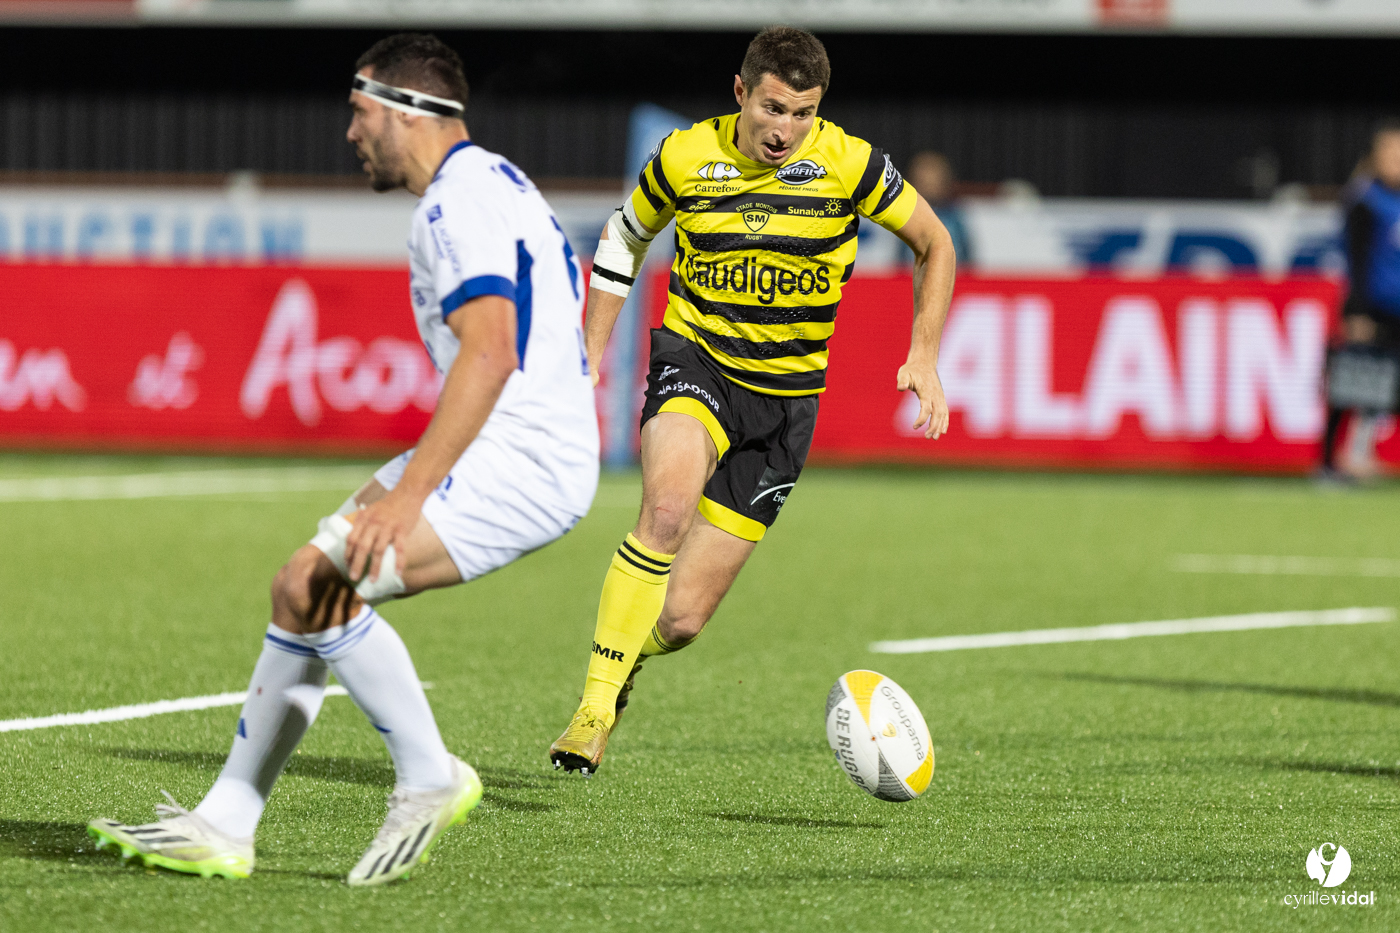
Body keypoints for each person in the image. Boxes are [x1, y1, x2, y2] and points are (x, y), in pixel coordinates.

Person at [88, 33, 598, 885]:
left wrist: (410, 496)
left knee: (319, 583)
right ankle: (225, 819)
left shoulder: (454, 204)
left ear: (408, 110)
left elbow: (491, 351)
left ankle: (428, 774)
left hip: (520, 454)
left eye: (360, 111)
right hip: (518, 440)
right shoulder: (493, 181)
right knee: (301, 589)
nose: (350, 132)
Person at [549, 25, 956, 776]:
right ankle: (594, 708)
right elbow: (622, 237)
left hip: (785, 407)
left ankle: (625, 657)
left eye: (803, 113)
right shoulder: (683, 156)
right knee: (665, 510)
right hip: (695, 361)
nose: (786, 129)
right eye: (774, 108)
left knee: (681, 617)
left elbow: (936, 243)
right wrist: (592, 350)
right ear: (741, 92)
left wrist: (923, 352)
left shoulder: (850, 164)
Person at [1320, 121, 1400, 480]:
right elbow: (1356, 258)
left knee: (1382, 389)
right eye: (1390, 151)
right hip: (1371, 307)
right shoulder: (1365, 200)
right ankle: (1328, 463)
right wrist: (1358, 311)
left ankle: (1359, 452)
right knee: (1349, 383)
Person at [907, 150, 972, 267]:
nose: (928, 189)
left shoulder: (955, 220)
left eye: (932, 183)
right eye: (923, 183)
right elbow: (900, 263)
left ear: (945, 183)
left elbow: (966, 262)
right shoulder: (906, 218)